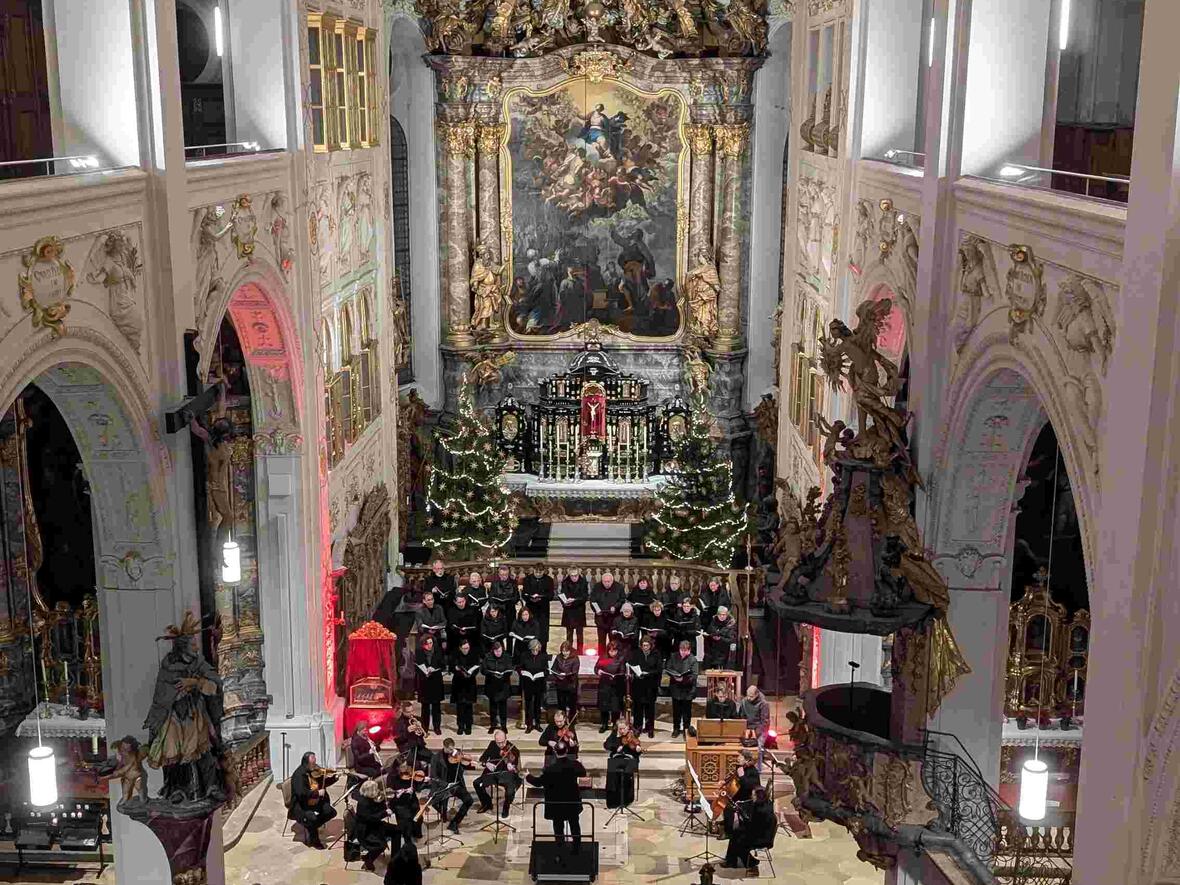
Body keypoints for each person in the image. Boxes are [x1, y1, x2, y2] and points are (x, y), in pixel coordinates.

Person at [526, 741, 586, 849]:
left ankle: (560, 846)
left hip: (556, 803)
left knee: (558, 825)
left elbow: (538, 783)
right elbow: (583, 773)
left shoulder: (549, 769)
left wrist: (528, 776)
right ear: (566, 751)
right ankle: (577, 846)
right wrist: (578, 762)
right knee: (574, 823)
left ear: (555, 751)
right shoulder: (575, 765)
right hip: (571, 801)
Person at [289, 751, 338, 849]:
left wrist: (334, 778)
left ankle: (311, 826)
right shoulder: (299, 775)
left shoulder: (311, 772)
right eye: (313, 763)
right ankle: (314, 840)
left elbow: (321, 783)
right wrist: (317, 793)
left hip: (313, 801)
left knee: (331, 812)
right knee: (312, 818)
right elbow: (301, 793)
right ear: (306, 762)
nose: (315, 765)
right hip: (301, 805)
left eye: (315, 762)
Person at [722, 787, 777, 873]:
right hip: (762, 832)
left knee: (736, 836)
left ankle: (740, 861)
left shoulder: (760, 811)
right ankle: (733, 860)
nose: (751, 796)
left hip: (761, 839)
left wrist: (741, 817)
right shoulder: (767, 803)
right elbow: (754, 824)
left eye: (753, 794)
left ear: (757, 796)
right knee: (737, 833)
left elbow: (751, 827)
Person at [428, 739, 475, 834]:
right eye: (449, 750)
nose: (452, 752)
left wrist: (469, 763)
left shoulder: (456, 753)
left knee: (469, 800)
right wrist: (446, 784)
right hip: (444, 786)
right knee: (434, 803)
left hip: (457, 785)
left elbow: (463, 765)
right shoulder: (436, 758)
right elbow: (433, 776)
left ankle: (454, 823)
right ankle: (443, 812)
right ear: (444, 747)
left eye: (453, 749)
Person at [353, 777, 398, 870]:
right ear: (370, 791)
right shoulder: (363, 803)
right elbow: (371, 818)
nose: (378, 791)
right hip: (366, 831)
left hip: (375, 825)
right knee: (380, 845)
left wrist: (388, 803)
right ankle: (368, 861)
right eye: (376, 789)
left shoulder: (369, 798)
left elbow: (376, 810)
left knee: (397, 831)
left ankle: (395, 858)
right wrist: (385, 812)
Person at [474, 729, 521, 817]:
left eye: (502, 742)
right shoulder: (492, 744)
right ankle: (487, 803)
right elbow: (483, 758)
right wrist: (487, 763)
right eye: (498, 742)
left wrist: (511, 766)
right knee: (477, 783)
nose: (500, 745)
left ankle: (506, 807)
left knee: (510, 792)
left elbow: (516, 767)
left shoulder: (513, 749)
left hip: (507, 775)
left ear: (506, 740)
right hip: (493, 773)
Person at [723, 750, 762, 838]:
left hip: (747, 798)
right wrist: (724, 782)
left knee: (728, 806)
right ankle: (727, 822)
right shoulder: (742, 768)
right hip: (740, 792)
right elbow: (733, 778)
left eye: (740, 757)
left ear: (747, 760)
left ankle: (728, 832)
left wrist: (742, 776)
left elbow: (748, 787)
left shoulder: (753, 772)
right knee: (725, 798)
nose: (738, 758)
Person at [628, 635, 662, 738]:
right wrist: (637, 672)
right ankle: (637, 727)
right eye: (643, 645)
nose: (645, 647)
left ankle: (649, 728)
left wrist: (649, 673)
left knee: (649, 708)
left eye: (647, 645)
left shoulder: (656, 654)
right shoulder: (636, 653)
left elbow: (659, 669)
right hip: (638, 684)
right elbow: (632, 665)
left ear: (651, 645)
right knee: (638, 708)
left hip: (651, 685)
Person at [665, 640, 699, 738]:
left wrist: (683, 679)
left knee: (686, 712)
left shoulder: (693, 659)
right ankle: (676, 728)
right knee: (676, 711)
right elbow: (668, 668)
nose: (683, 652)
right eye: (681, 650)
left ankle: (686, 729)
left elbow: (695, 675)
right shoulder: (673, 656)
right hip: (676, 688)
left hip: (687, 689)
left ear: (689, 650)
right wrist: (675, 676)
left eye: (685, 650)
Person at [604, 719, 641, 809]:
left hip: (630, 761)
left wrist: (638, 750)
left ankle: (626, 800)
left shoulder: (633, 735)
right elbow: (606, 745)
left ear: (628, 727)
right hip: (616, 760)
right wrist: (616, 747)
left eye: (623, 728)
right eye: (620, 729)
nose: (622, 731)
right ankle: (613, 800)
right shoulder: (614, 735)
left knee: (627, 775)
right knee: (611, 775)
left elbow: (637, 750)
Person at [415, 634, 445, 734]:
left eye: (431, 643)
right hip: (424, 682)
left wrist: (433, 667)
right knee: (425, 707)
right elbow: (417, 666)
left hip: (435, 681)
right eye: (427, 644)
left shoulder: (438, 651)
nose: (429, 645)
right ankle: (425, 727)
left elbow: (443, 664)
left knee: (436, 706)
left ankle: (437, 727)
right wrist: (424, 671)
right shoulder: (419, 652)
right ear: (423, 644)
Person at [594, 640, 626, 732]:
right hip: (604, 685)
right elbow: (596, 668)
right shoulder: (603, 657)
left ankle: (615, 724)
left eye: (614, 651)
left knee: (615, 707)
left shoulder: (621, 658)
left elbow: (622, 671)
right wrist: (598, 671)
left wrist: (617, 676)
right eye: (610, 651)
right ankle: (604, 724)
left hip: (616, 686)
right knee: (604, 706)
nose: (612, 653)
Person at [518, 638, 548, 733]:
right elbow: (519, 668)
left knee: (537, 705)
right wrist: (522, 672)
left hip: (539, 684)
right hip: (528, 684)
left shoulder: (543, 656)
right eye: (533, 650)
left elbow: (546, 670)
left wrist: (542, 674)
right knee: (528, 705)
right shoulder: (524, 656)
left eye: (537, 649)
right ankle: (529, 724)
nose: (535, 651)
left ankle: (537, 723)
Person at [451, 638, 480, 735]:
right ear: (460, 648)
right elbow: (452, 667)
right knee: (460, 707)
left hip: (470, 684)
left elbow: (476, 668)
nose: (466, 650)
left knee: (469, 706)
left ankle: (468, 726)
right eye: (464, 648)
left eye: (467, 648)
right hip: (459, 683)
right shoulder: (456, 655)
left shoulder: (474, 655)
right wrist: (457, 670)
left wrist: (470, 673)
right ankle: (460, 726)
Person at [482, 640, 513, 733]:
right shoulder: (488, 657)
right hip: (492, 685)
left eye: (499, 651)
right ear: (493, 651)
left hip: (503, 685)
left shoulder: (507, 657)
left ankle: (503, 725)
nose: (498, 653)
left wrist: (503, 674)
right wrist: (491, 674)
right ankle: (493, 725)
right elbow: (483, 670)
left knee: (503, 707)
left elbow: (510, 669)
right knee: (493, 707)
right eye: (496, 651)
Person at [590, 572, 623, 653]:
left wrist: (615, 606)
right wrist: (596, 610)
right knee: (601, 641)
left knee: (613, 641)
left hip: (613, 619)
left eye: (609, 581)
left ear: (612, 580)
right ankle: (601, 658)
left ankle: (613, 659)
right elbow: (592, 600)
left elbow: (622, 600)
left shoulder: (619, 587)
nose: (607, 583)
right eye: (605, 581)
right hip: (601, 618)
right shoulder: (597, 587)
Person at [558, 567, 589, 653]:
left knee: (580, 634)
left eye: (576, 575)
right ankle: (569, 651)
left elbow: (585, 597)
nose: (574, 577)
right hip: (569, 611)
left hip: (579, 610)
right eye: (572, 576)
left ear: (578, 574)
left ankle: (580, 652)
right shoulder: (565, 582)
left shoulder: (583, 582)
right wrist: (565, 602)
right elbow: (563, 595)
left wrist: (574, 600)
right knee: (569, 634)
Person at [522, 566, 554, 646]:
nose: (538, 574)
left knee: (543, 630)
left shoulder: (549, 580)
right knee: (530, 629)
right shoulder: (527, 579)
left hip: (543, 609)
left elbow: (551, 595)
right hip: (531, 608)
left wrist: (541, 598)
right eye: (536, 572)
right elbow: (524, 594)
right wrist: (530, 598)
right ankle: (529, 649)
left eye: (540, 572)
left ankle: (543, 651)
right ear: (533, 571)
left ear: (544, 571)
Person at [551, 641, 580, 717]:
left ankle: (571, 722)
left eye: (566, 651)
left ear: (570, 650)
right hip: (560, 684)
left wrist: (566, 674)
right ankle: (562, 720)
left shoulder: (575, 658)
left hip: (570, 684)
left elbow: (575, 671)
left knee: (572, 705)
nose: (564, 653)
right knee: (561, 704)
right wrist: (559, 674)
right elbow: (553, 669)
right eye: (563, 651)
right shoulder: (558, 657)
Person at [704, 606, 738, 670]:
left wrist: (720, 639)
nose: (722, 616)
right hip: (712, 652)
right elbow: (709, 632)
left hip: (724, 653)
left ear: (727, 615)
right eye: (720, 615)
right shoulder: (713, 622)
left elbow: (731, 640)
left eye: (724, 615)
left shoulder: (731, 625)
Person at [739, 683, 772, 750]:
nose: (749, 698)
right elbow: (742, 717)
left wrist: (756, 733)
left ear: (756, 695)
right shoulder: (744, 702)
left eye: (751, 696)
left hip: (759, 728)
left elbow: (764, 722)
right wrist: (746, 730)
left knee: (759, 747)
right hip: (747, 727)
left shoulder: (763, 704)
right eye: (748, 696)